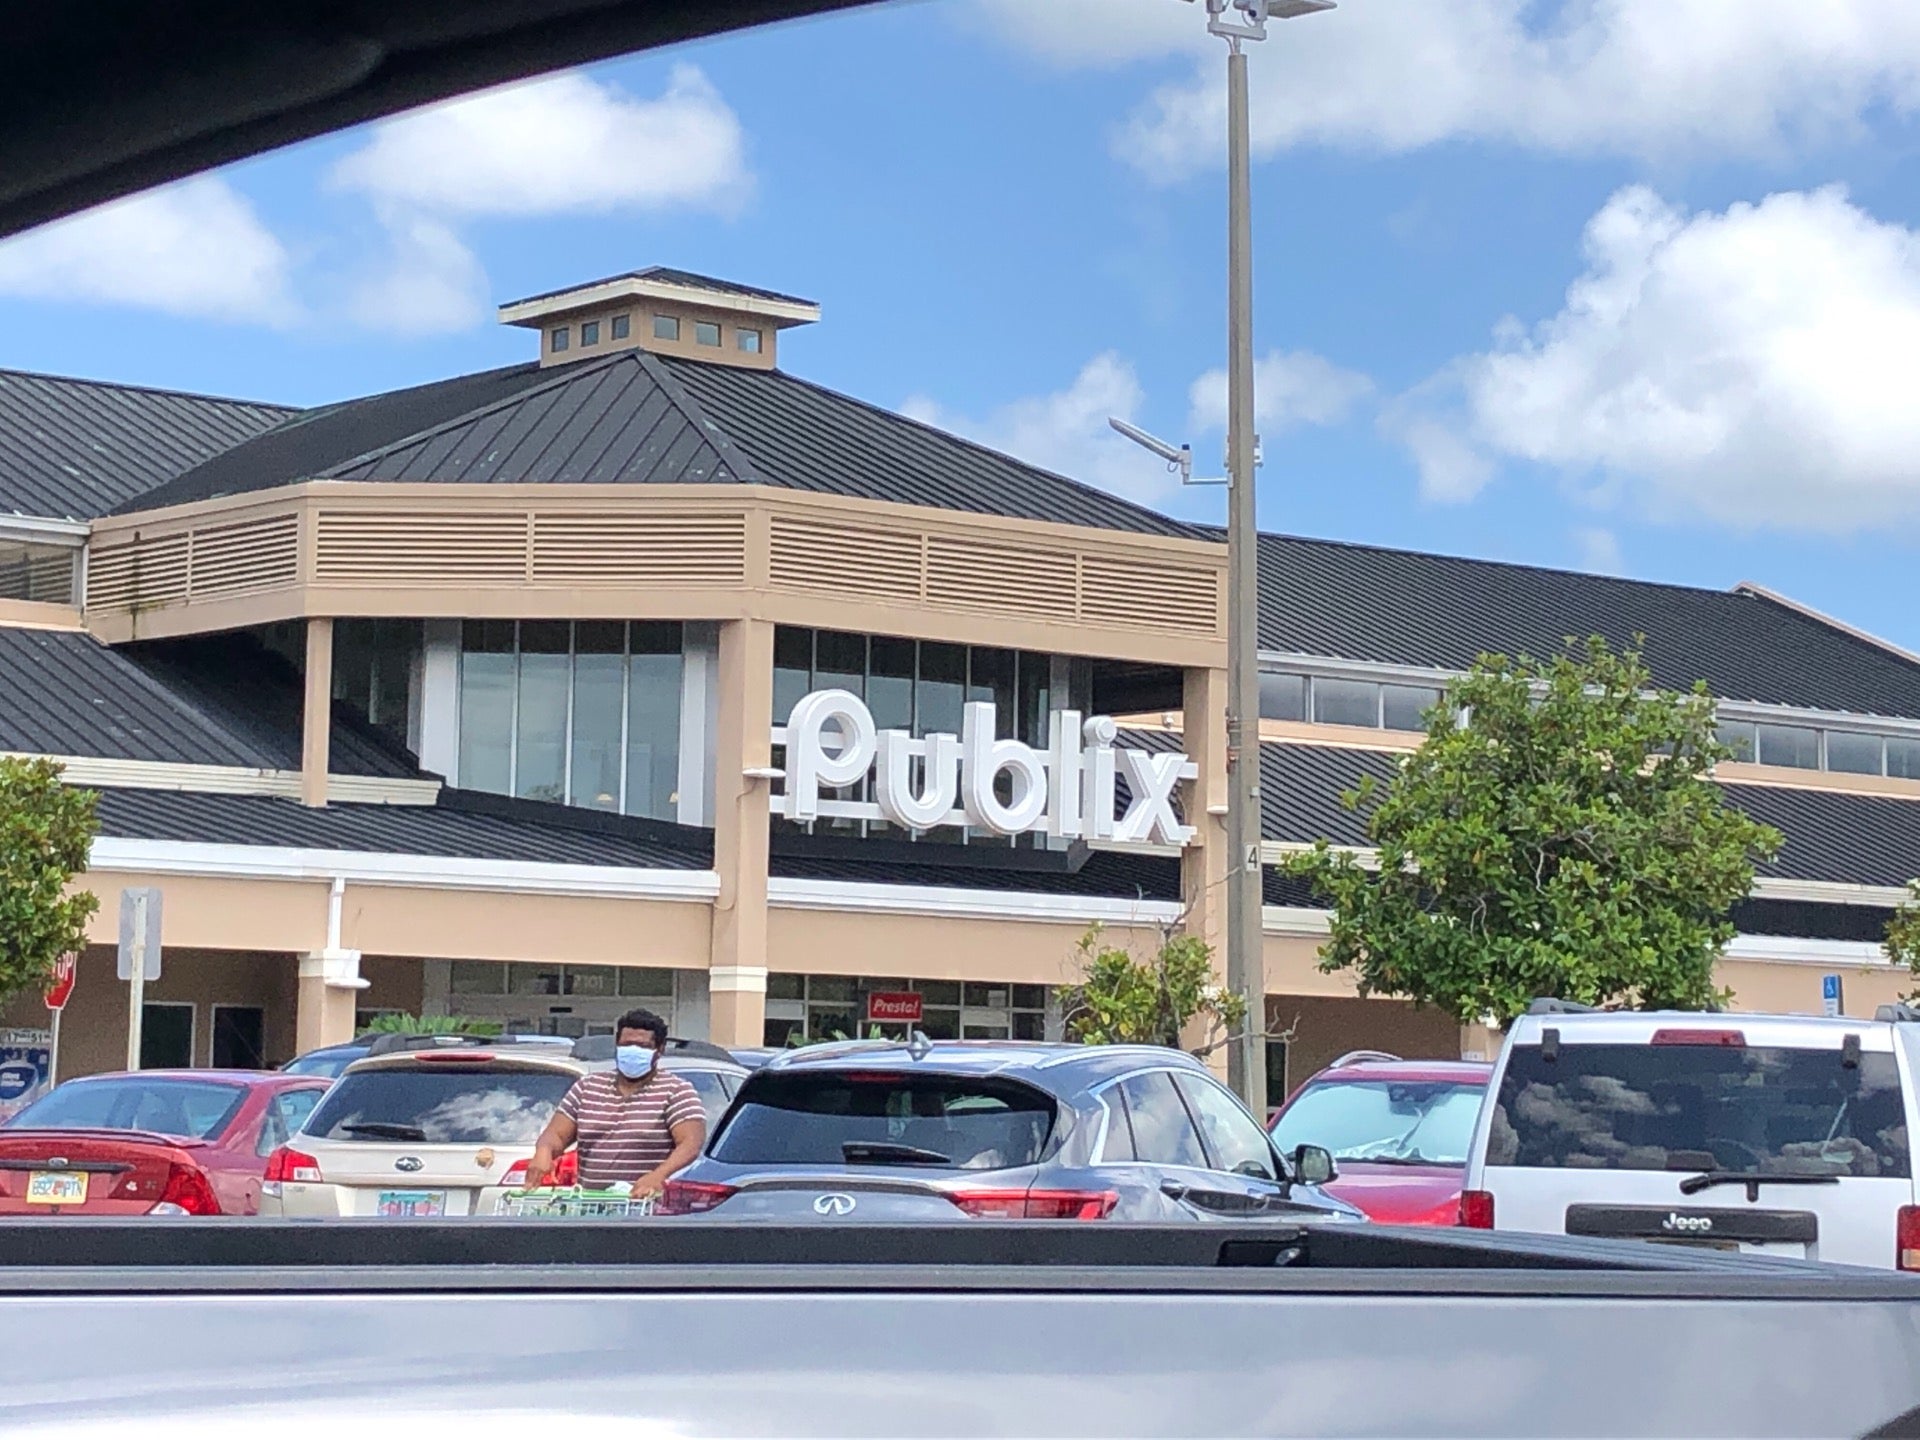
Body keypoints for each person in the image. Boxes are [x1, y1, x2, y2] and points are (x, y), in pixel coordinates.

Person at [524, 1007, 706, 1199]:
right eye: (627, 1045)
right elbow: (556, 1134)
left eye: (642, 1046)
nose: (633, 1051)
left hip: (646, 1204)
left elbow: (690, 1144)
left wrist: (658, 1176)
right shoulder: (587, 1087)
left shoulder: (676, 1091)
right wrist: (544, 1151)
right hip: (592, 1203)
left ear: (659, 1050)